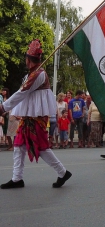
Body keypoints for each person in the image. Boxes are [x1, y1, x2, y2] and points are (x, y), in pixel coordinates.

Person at [0, 39, 72, 189]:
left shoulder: (38, 75)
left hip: (37, 118)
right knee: (19, 146)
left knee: (41, 147)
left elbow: (22, 93)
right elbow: (23, 95)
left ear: (28, 59)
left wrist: (3, 107)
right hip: (28, 118)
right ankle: (17, 178)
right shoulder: (32, 75)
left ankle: (62, 172)